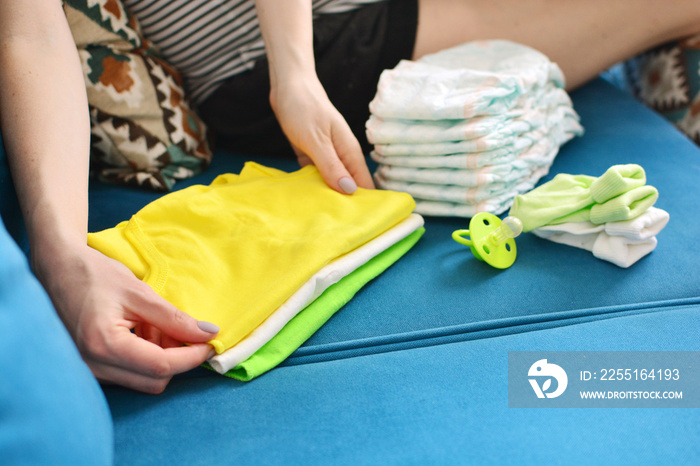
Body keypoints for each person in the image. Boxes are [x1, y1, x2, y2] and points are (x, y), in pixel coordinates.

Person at [1, 0, 699, 394]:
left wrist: (294, 76)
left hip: (303, 52)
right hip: (311, 47)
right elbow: (29, 29)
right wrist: (60, 255)